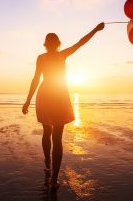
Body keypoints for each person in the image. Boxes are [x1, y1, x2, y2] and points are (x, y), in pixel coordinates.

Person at [22, 22, 105, 190]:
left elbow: (35, 80)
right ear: (57, 44)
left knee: (47, 132)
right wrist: (96, 29)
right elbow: (81, 42)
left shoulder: (42, 57)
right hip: (58, 94)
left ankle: (47, 163)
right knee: (56, 138)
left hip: (46, 94)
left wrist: (28, 100)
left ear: (47, 44)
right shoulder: (61, 55)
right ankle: (53, 180)